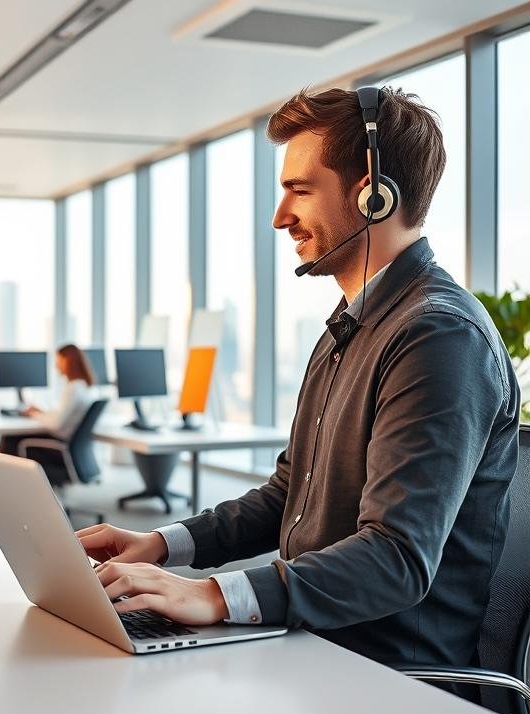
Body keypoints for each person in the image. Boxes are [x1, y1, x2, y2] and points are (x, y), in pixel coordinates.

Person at [78, 86, 520, 681]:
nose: (280, 216)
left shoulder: (440, 337)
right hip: (308, 644)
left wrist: (211, 595)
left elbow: (396, 560)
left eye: (299, 189)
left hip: (389, 679)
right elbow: (289, 493)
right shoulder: (351, 325)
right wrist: (161, 545)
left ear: (372, 195)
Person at [0, 344, 95, 461]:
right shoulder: (83, 386)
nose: (56, 365)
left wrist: (33, 414)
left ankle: (0, 476)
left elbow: (56, 424)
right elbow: (64, 415)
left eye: (58, 360)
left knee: (10, 438)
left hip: (60, 443)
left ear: (67, 361)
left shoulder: (74, 389)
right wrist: (42, 412)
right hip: (68, 441)